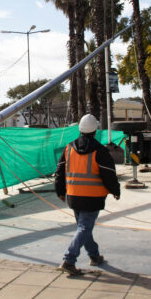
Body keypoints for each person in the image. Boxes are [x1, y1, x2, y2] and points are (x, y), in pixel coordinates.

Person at [54, 113, 120, 275]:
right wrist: (115, 191)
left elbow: (59, 172)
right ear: (95, 130)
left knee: (83, 228)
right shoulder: (100, 151)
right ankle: (69, 260)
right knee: (84, 227)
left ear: (80, 129)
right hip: (93, 198)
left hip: (74, 196)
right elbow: (109, 175)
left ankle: (94, 255)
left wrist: (60, 191)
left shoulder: (69, 148)